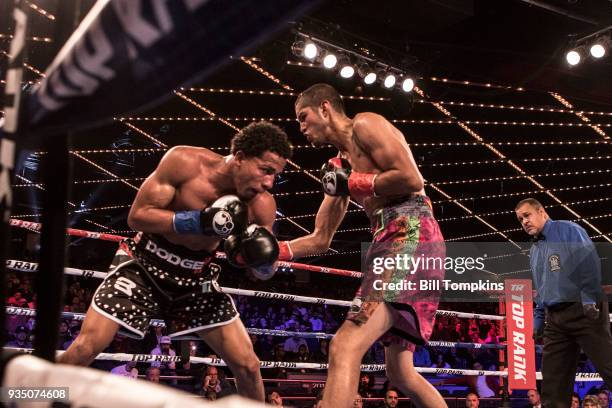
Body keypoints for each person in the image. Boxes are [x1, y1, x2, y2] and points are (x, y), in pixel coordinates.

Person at [58, 121, 293, 401]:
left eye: (275, 175)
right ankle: (27, 395)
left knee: (248, 365)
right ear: (240, 157)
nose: (268, 182)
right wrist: (198, 221)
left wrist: (260, 258)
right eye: (265, 170)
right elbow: (138, 216)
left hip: (196, 278)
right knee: (86, 346)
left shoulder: (262, 205)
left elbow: (264, 274)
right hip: (143, 263)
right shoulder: (185, 162)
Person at [277, 83, 446, 407]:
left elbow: (412, 179)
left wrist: (355, 182)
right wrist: (279, 251)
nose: (301, 127)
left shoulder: (365, 125)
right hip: (389, 242)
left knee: (345, 345)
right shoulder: (336, 168)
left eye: (304, 116)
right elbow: (321, 238)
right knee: (399, 373)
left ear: (325, 108)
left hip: (411, 234)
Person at [515, 198, 612, 407]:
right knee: (553, 382)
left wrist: (588, 298)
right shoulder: (534, 251)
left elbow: (588, 262)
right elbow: (541, 288)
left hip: (584, 309)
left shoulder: (567, 230)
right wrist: (539, 319)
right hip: (556, 319)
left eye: (527, 215)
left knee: (608, 366)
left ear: (541, 212)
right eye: (520, 219)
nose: (524, 221)